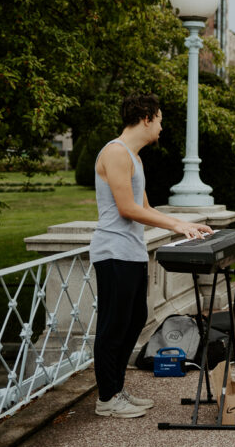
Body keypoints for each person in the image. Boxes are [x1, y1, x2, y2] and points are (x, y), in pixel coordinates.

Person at [90, 93, 214, 418]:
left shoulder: (135, 157)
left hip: (131, 252)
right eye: (159, 119)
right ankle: (106, 398)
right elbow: (127, 209)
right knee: (113, 325)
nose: (161, 127)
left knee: (135, 319)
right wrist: (175, 223)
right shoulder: (116, 153)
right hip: (112, 251)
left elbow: (145, 208)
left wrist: (183, 225)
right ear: (146, 118)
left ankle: (117, 390)